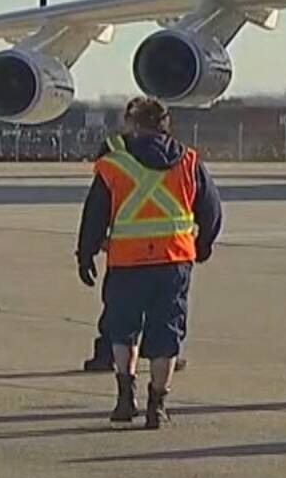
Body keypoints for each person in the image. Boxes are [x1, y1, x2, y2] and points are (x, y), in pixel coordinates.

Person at [77, 97, 221, 428]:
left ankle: (125, 398)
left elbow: (94, 213)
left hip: (127, 260)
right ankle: (158, 404)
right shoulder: (188, 161)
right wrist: (203, 244)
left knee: (123, 330)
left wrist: (85, 254)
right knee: (166, 333)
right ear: (165, 124)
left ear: (132, 124)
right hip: (174, 260)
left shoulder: (114, 164)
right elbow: (211, 209)